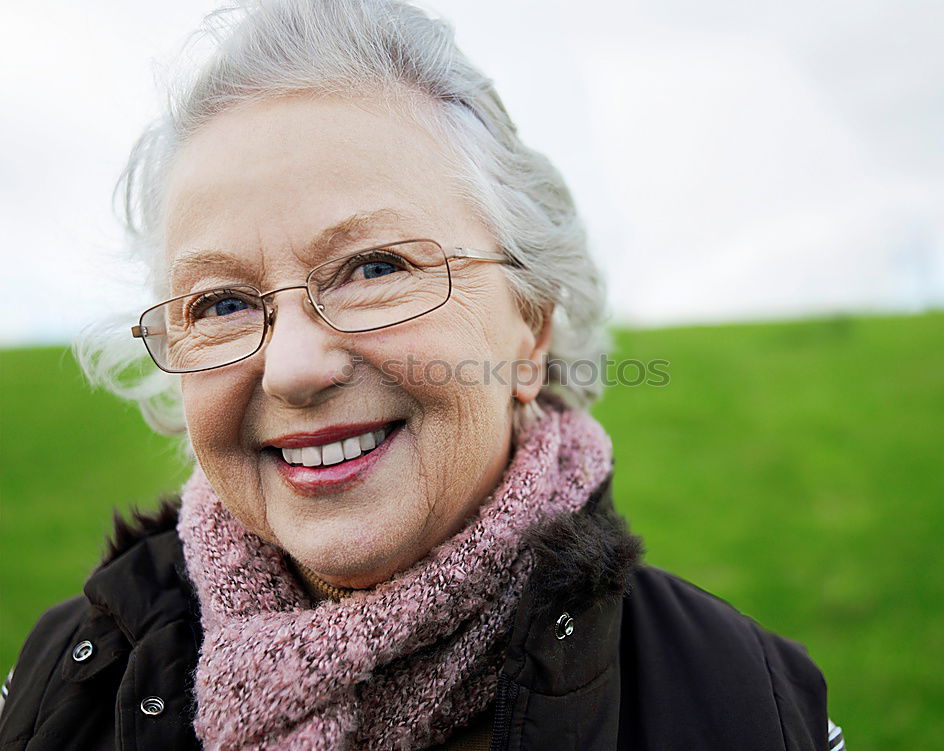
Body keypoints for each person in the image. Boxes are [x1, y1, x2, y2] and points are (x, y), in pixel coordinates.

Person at [0, 1, 845, 749]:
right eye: (220, 303)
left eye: (374, 268)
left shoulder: (743, 704)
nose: (293, 368)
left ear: (531, 328)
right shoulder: (60, 683)